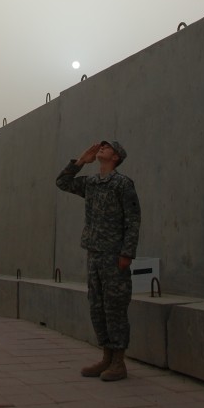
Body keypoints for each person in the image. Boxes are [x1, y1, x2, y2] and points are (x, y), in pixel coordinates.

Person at [56, 139, 141, 381]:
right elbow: (62, 182)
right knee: (97, 306)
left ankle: (118, 362)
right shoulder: (92, 183)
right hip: (94, 253)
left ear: (116, 157)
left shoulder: (122, 184)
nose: (101, 148)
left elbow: (133, 220)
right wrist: (82, 160)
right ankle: (106, 356)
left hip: (114, 255)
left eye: (107, 147)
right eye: (100, 147)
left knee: (115, 307)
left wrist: (127, 253)